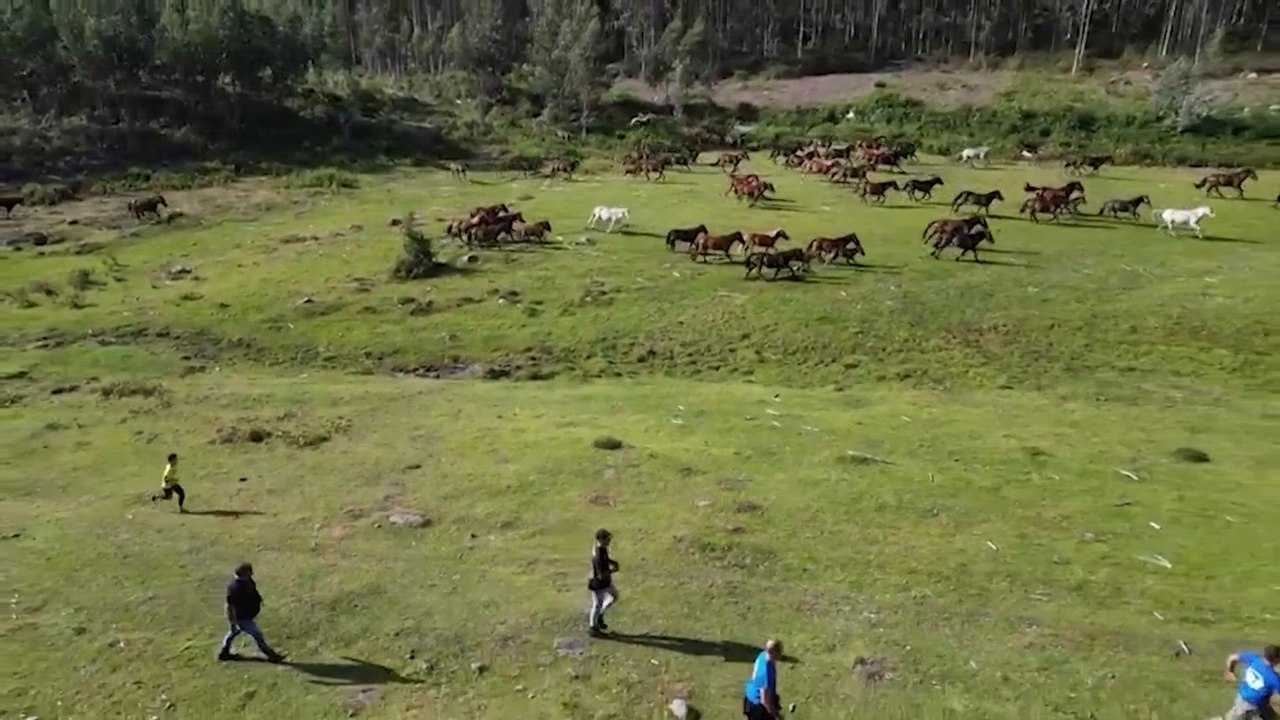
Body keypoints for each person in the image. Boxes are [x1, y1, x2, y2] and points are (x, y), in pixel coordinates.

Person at [217, 563, 286, 663]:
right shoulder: (234, 587)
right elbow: (230, 606)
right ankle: (271, 655)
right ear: (244, 573)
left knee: (233, 633)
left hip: (246, 615)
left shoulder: (247, 581)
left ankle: (224, 653)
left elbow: (253, 591)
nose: (251, 574)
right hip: (242, 617)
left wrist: (258, 599)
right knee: (257, 635)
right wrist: (232, 621)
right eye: (249, 573)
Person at [1223, 645, 1280, 720]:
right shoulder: (1274, 678)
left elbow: (1232, 657)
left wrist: (1229, 671)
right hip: (1249, 708)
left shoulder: (1254, 658)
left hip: (1251, 703)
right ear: (1276, 659)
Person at [587, 528, 620, 636]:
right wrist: (612, 570)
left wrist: (612, 562)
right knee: (597, 604)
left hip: (605, 581)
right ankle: (593, 627)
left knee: (614, 596)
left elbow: (606, 559)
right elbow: (601, 573)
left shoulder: (601, 549)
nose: (609, 541)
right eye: (607, 539)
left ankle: (600, 615)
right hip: (599, 583)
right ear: (600, 540)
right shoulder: (598, 555)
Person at [743, 639, 783, 719]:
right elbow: (764, 700)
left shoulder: (763, 655)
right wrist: (774, 715)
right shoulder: (765, 672)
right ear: (774, 652)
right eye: (779, 651)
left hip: (750, 696)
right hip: (756, 704)